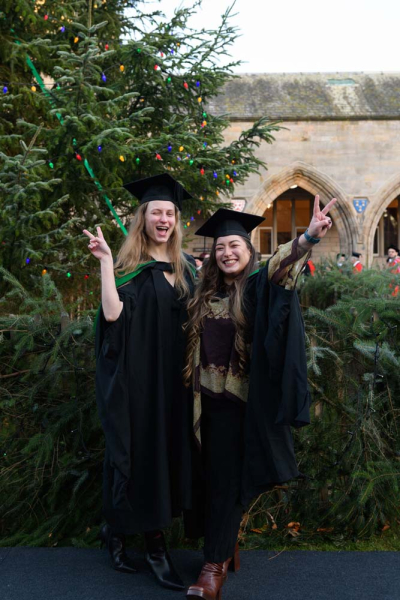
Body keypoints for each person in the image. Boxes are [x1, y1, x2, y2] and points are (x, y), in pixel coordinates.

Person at [183, 195, 336, 600]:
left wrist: (307, 238)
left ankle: (213, 568)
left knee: (225, 483)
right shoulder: (203, 294)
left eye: (234, 245)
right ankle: (226, 547)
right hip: (201, 406)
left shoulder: (256, 287)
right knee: (209, 480)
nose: (227, 252)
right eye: (220, 247)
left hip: (239, 408)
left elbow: (282, 267)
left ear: (248, 250)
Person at [83, 173, 196, 591]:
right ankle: (154, 547)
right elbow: (112, 315)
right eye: (156, 212)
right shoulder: (130, 267)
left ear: (176, 221)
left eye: (170, 213)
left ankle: (115, 530)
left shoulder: (186, 270)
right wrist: (105, 263)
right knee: (138, 454)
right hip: (140, 382)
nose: (163, 219)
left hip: (175, 384)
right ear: (143, 218)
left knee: (166, 455)